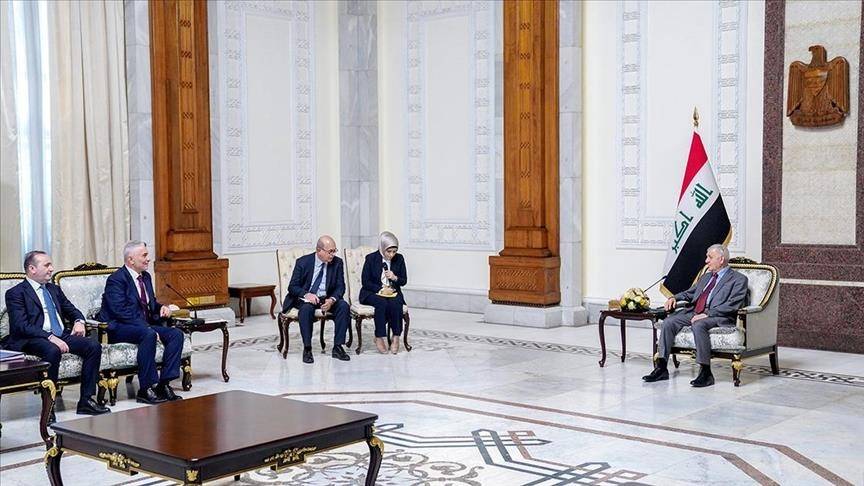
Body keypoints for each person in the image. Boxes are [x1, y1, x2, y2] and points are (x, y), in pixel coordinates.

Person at [3, 251, 110, 418]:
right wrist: (49, 337)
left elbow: (72, 310)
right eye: (47, 265)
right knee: (52, 350)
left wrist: (79, 321)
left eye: (51, 265)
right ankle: (49, 406)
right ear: (32, 269)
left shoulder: (54, 289)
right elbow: (20, 326)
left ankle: (86, 401)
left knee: (92, 346)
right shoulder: (16, 293)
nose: (51, 269)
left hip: (60, 334)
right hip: (32, 338)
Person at [643, 244, 748, 387]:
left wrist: (707, 313)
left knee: (698, 324)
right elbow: (690, 293)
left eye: (710, 257)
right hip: (695, 311)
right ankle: (661, 368)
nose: (706, 261)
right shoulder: (706, 277)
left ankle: (706, 373)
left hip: (718, 315)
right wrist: (674, 298)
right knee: (669, 322)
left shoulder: (739, 279)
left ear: (721, 259)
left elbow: (733, 305)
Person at [98, 241, 184, 404]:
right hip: (120, 327)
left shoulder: (146, 277)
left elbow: (150, 303)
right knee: (148, 334)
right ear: (131, 260)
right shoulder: (116, 279)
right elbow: (120, 311)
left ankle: (164, 384)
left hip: (144, 326)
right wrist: (147, 327)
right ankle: (145, 389)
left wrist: (161, 307)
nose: (148, 259)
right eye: (144, 255)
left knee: (176, 334)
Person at [283, 235, 351, 364]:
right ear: (319, 250)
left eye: (334, 251)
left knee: (343, 306)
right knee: (306, 309)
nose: (333, 254)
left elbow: (340, 286)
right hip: (308, 299)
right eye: (330, 251)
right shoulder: (303, 262)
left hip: (327, 297)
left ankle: (338, 347)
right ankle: (307, 349)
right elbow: (292, 287)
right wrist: (306, 295)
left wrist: (332, 300)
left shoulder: (338, 263)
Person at [359, 231, 407, 354]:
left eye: (394, 251)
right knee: (381, 303)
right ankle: (379, 336)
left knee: (396, 303)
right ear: (382, 247)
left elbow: (404, 281)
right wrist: (380, 290)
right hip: (372, 291)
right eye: (388, 251)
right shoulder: (371, 258)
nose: (391, 255)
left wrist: (394, 277)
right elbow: (365, 282)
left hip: (392, 292)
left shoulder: (399, 259)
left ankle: (396, 337)